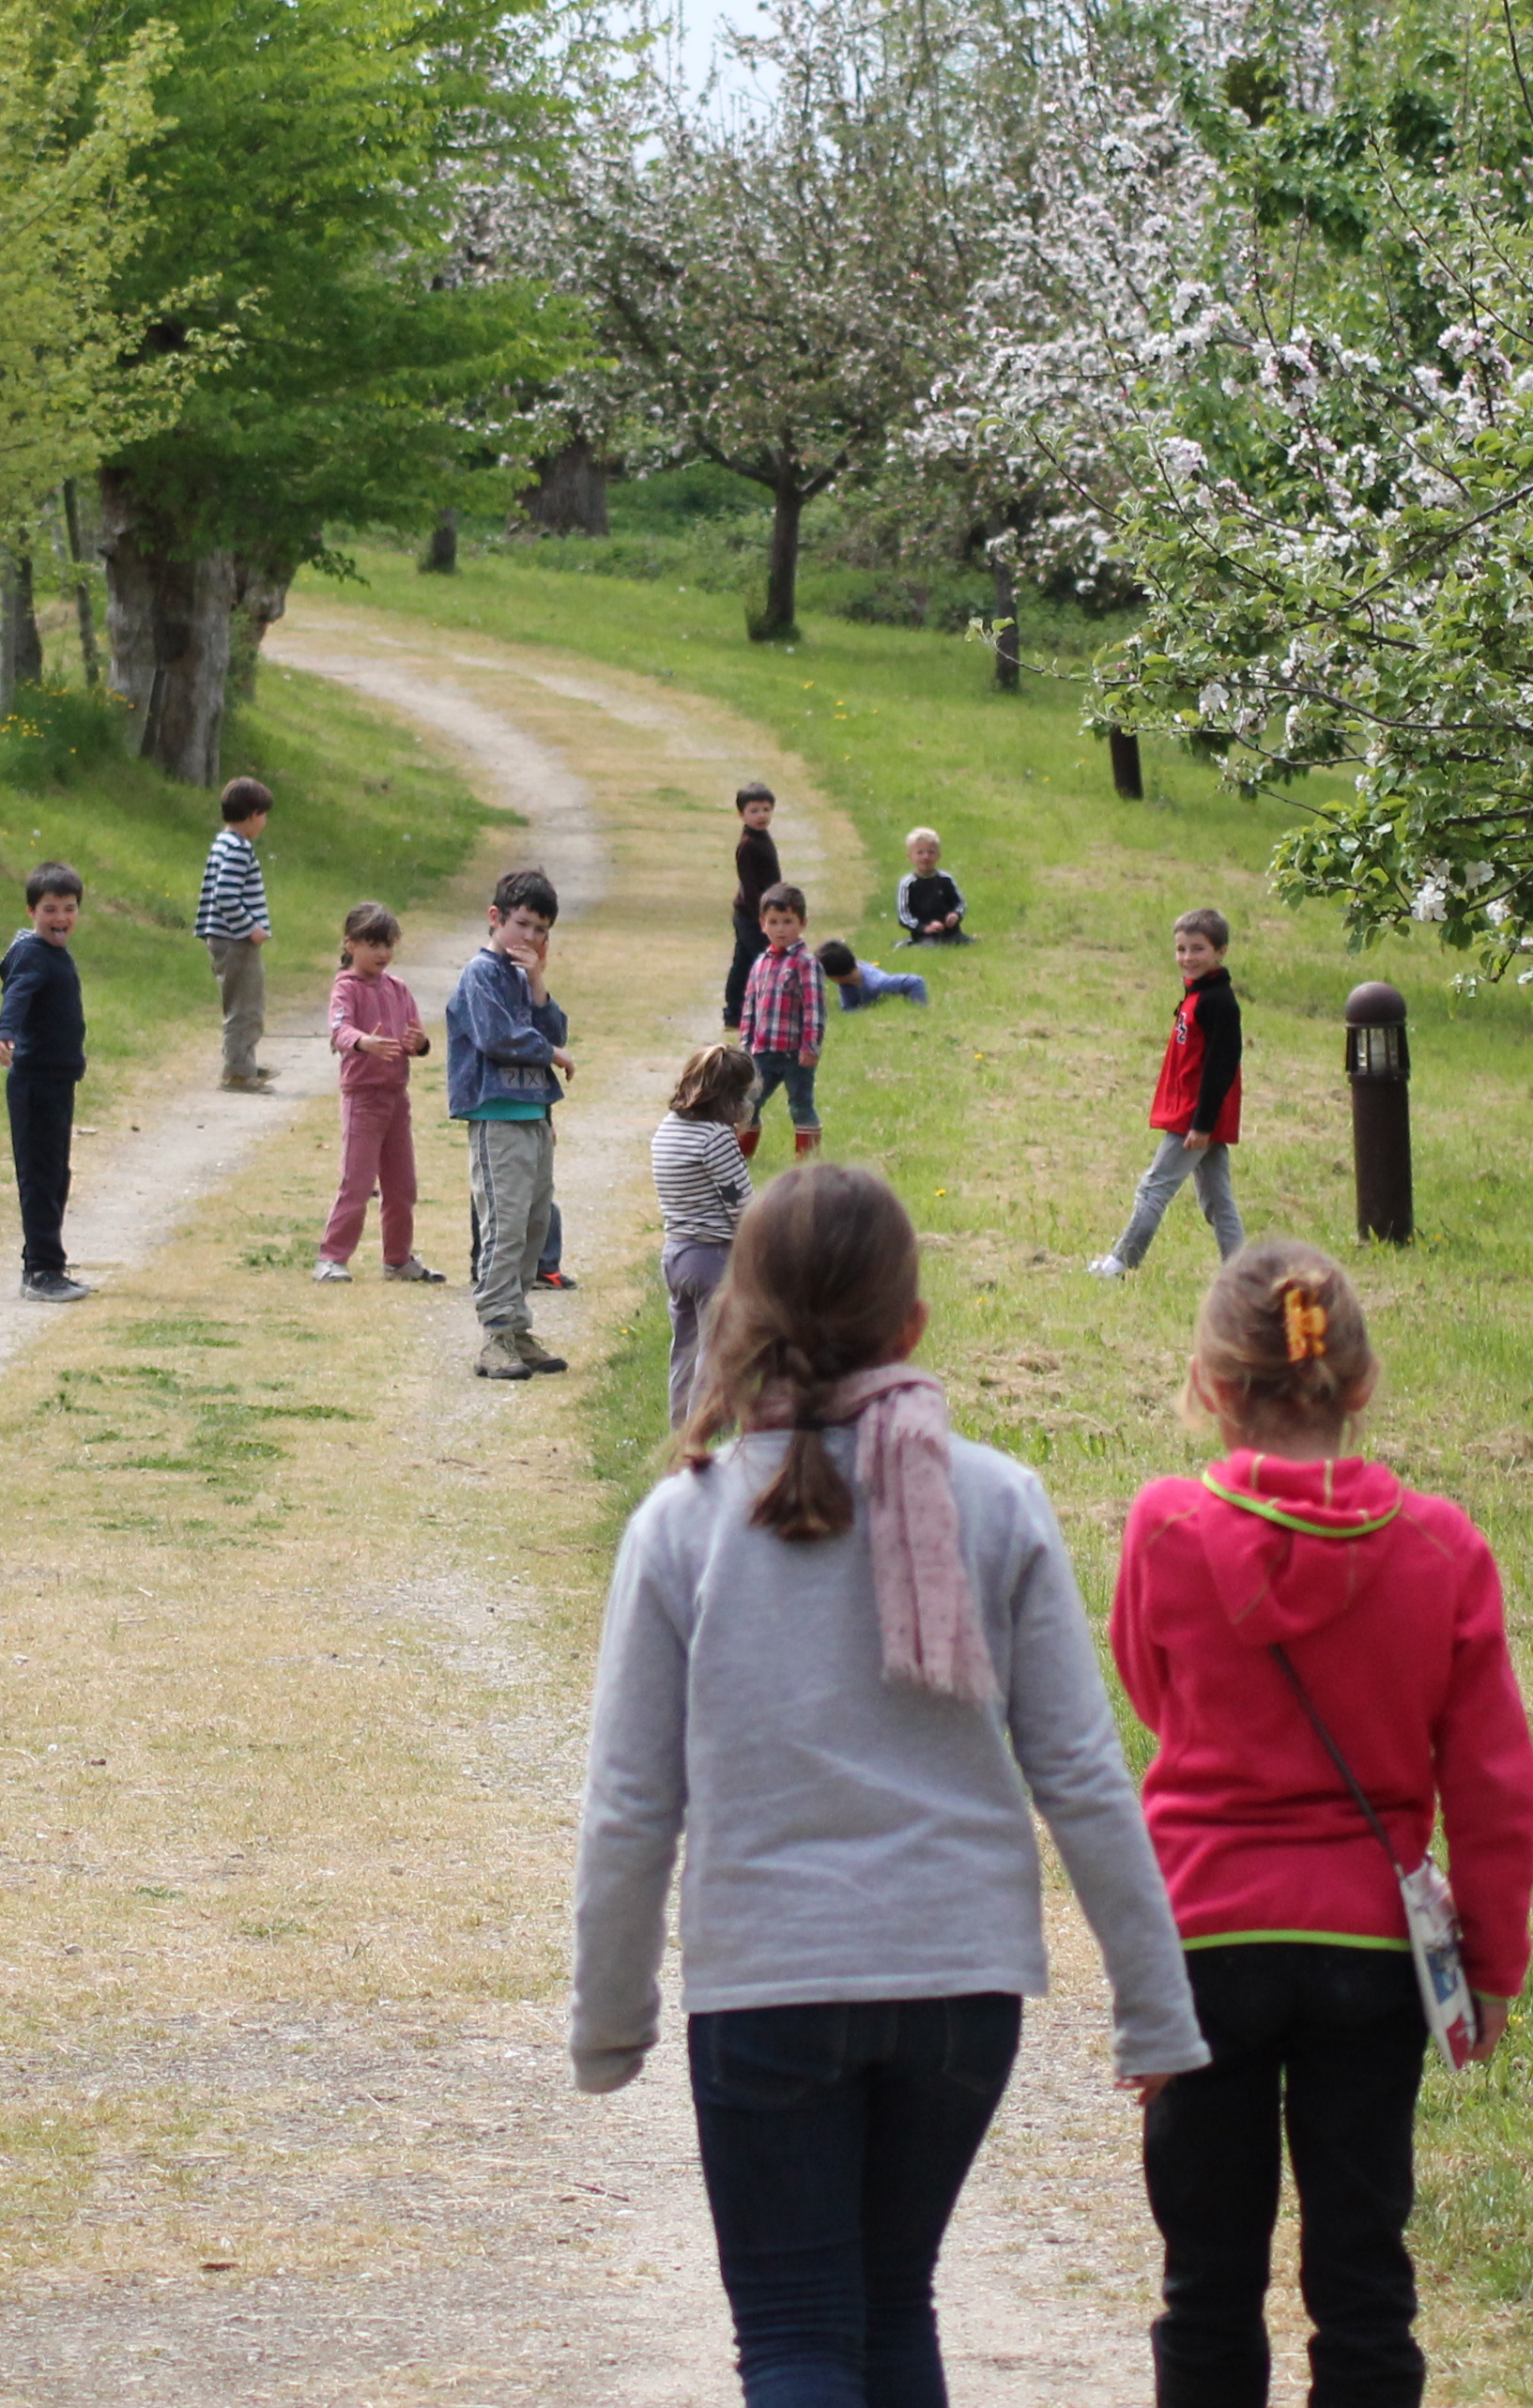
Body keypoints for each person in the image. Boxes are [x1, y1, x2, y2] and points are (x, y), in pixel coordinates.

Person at [573, 1164, 1209, 2408]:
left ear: (734, 1322)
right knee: (888, 2301)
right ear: (913, 1326)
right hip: (961, 1991)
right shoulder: (1000, 1500)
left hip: (768, 1985)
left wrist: (610, 2016)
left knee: (801, 2328)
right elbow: (1080, 1775)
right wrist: (1154, 2006)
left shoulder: (683, 1524)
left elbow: (630, 1808)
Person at [1111, 1241, 1533, 2408]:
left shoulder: (1164, 1528)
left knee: (1206, 2282)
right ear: (1359, 1383)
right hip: (1368, 1951)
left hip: (1202, 1941)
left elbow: (1156, 1698)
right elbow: (1493, 1779)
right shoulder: (1442, 1545)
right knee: (1362, 2281)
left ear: (1208, 1383)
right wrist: (1492, 1964)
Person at [445, 867, 575, 1380]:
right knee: (503, 1224)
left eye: (542, 931)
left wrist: (539, 980)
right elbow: (499, 1039)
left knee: (532, 1225)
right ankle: (495, 1333)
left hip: (531, 1115)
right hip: (496, 1117)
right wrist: (553, 1054)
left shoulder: (522, 978)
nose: (531, 938)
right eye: (523, 925)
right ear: (496, 918)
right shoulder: (480, 975)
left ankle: (518, 1327)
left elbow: (555, 1027)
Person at [1089, 908, 1244, 1279]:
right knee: (1217, 1201)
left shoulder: (1218, 1002)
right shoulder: (1196, 996)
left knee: (1153, 1188)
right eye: (1181, 949)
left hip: (1194, 1119)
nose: (1187, 958)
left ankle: (1119, 1264)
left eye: (1198, 949)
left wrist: (1202, 1123)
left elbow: (1221, 1067)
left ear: (1221, 951)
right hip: (1190, 1115)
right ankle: (1243, 1275)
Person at [318, 901, 440, 1284]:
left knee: (402, 1185)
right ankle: (332, 1258)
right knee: (356, 1182)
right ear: (351, 944)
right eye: (373, 944)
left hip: (396, 1099)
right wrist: (364, 1042)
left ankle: (398, 1259)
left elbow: (417, 1039)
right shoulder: (346, 987)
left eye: (388, 945)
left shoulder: (398, 988)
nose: (382, 953)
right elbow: (339, 1030)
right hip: (362, 1098)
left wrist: (419, 1043)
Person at [0, 862, 89, 1303]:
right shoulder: (33, 955)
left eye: (69, 909)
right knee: (40, 1178)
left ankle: (48, 1262)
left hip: (57, 1082)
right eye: (50, 909)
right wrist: (5, 1032)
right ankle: (40, 1272)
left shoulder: (52, 953)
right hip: (35, 1084)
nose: (60, 918)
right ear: (32, 910)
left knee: (55, 1176)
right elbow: (17, 994)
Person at [650, 1044, 757, 1426]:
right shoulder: (716, 1139)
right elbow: (742, 1205)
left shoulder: (668, 1128)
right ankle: (700, 1438)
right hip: (713, 1258)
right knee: (715, 1354)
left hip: (677, 1254)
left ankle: (679, 1431)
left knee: (685, 1350)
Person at [198, 775, 278, 1092]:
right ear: (252, 815)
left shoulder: (224, 842)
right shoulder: (238, 848)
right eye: (264, 815)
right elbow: (226, 895)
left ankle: (243, 1061)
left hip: (223, 937)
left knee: (242, 1003)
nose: (264, 822)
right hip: (236, 940)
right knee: (246, 1006)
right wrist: (251, 928)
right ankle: (238, 1072)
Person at [738, 883, 825, 1162]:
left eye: (788, 922)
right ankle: (743, 1155)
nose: (780, 929)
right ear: (762, 925)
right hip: (763, 1051)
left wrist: (810, 1046)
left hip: (795, 1054)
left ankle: (807, 1159)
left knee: (800, 1104)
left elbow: (814, 1008)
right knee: (749, 1103)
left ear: (802, 924)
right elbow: (750, 1005)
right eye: (773, 922)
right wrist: (746, 1045)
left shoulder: (805, 963)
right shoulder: (761, 963)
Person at [726, 780, 783, 1030]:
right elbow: (749, 887)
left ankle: (738, 1011)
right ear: (742, 814)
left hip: (761, 912)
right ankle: (739, 1012)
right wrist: (763, 918)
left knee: (745, 962)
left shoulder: (762, 837)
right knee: (760, 961)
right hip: (751, 915)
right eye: (754, 811)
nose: (761, 816)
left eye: (766, 810)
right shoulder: (748, 844)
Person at [895, 829, 969, 945]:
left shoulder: (946, 879)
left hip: (951, 932)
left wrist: (955, 914)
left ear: (938, 855)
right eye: (920, 853)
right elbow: (904, 916)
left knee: (964, 944)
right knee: (929, 946)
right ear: (910, 857)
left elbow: (960, 904)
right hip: (924, 935)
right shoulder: (908, 883)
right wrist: (924, 927)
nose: (926, 857)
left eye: (931, 852)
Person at [817, 940, 930, 1011]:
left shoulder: (878, 984)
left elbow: (916, 982)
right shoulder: (847, 981)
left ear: (835, 977)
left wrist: (918, 1009)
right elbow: (849, 1009)